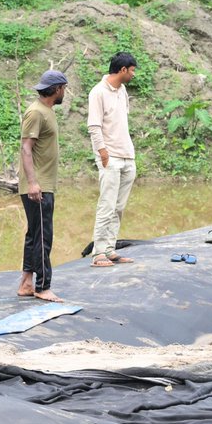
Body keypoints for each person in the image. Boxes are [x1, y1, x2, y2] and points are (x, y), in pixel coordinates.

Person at [17, 69, 67, 302]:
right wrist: (34, 183)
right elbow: (26, 148)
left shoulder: (46, 111)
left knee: (34, 234)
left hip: (43, 183)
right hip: (39, 186)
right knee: (43, 237)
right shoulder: (36, 112)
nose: (65, 92)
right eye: (64, 89)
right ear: (56, 89)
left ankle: (26, 283)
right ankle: (43, 287)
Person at [87, 52, 138, 267]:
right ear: (123, 70)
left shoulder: (123, 90)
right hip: (110, 157)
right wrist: (103, 152)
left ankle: (110, 249)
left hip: (127, 156)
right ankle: (98, 252)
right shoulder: (98, 92)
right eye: (132, 70)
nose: (134, 75)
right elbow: (94, 126)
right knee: (106, 205)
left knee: (119, 207)